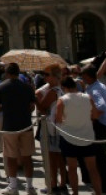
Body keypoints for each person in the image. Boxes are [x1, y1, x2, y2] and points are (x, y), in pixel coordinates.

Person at [0, 62, 38, 195]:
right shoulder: (27, 87)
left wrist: (6, 108)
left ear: (7, 73)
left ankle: (13, 186)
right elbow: (32, 107)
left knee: (10, 157)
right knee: (27, 157)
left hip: (9, 125)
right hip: (26, 125)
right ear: (18, 73)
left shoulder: (1, 87)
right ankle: (30, 186)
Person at [56, 76, 102, 195]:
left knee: (72, 168)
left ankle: (75, 192)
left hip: (69, 137)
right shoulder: (88, 97)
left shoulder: (62, 100)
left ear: (63, 87)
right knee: (92, 168)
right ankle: (98, 192)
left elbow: (58, 119)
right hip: (87, 135)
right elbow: (96, 115)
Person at [80, 63, 106, 195]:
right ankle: (105, 188)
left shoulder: (94, 89)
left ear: (87, 76)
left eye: (83, 76)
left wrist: (89, 116)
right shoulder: (99, 86)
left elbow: (100, 107)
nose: (82, 79)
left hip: (99, 126)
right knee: (100, 159)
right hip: (105, 125)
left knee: (99, 159)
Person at [36, 65, 67, 194]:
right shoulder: (60, 89)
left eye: (47, 75)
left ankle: (53, 183)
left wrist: (36, 99)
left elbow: (42, 108)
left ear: (55, 76)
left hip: (51, 128)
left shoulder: (53, 91)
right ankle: (62, 183)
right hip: (60, 127)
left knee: (51, 157)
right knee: (59, 158)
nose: (45, 77)